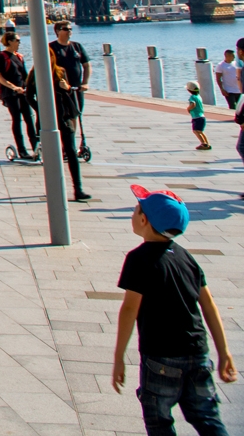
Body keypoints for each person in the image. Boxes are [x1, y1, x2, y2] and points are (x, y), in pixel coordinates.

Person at [112, 184, 237, 436]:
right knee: (207, 418)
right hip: (197, 353)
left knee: (159, 422)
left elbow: (129, 309)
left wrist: (119, 357)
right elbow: (209, 306)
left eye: (136, 210)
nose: (133, 214)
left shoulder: (138, 259)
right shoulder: (186, 258)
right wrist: (224, 352)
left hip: (161, 356)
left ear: (144, 220)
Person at [0, 33, 39, 159]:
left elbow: (25, 76)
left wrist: (30, 87)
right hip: (10, 94)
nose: (19, 43)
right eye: (17, 40)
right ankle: (22, 150)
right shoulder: (3, 56)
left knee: (29, 119)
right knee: (17, 119)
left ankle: (36, 147)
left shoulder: (19, 57)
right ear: (10, 41)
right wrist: (13, 87)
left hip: (23, 92)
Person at [49, 62, 92, 201]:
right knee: (52, 154)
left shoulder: (60, 71)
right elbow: (30, 96)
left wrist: (66, 88)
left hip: (64, 117)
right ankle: (54, 187)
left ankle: (78, 189)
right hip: (49, 120)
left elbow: (68, 91)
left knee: (71, 151)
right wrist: (41, 111)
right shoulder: (37, 73)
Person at [188, 81, 211, 151]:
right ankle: (206, 143)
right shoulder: (199, 96)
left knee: (196, 131)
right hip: (202, 116)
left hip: (196, 117)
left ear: (189, 90)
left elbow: (193, 104)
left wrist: (188, 108)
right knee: (200, 131)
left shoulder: (192, 97)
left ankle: (203, 144)